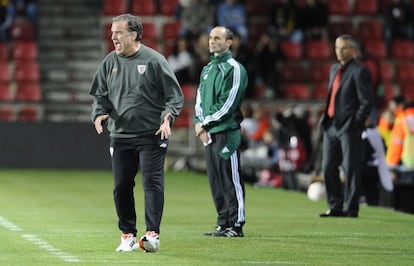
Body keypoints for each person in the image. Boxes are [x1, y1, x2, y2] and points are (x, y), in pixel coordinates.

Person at [89, 14, 184, 252]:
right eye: (112, 32)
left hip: (152, 135)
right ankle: (128, 235)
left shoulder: (154, 61)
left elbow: (174, 96)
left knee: (152, 182)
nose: (113, 37)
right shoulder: (110, 62)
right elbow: (100, 95)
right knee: (121, 185)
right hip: (120, 135)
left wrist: (168, 117)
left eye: (118, 32)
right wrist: (99, 113)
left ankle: (152, 235)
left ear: (134, 34)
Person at [194, 26, 247, 237]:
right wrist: (199, 124)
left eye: (217, 38)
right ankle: (223, 221)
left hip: (227, 134)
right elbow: (199, 100)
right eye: (210, 37)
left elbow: (229, 105)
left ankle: (236, 224)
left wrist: (203, 122)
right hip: (209, 133)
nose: (212, 41)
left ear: (229, 43)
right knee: (215, 180)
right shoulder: (207, 69)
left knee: (230, 178)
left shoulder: (234, 69)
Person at [319, 34, 374, 218]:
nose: (339, 51)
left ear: (352, 50)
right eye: (337, 48)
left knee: (351, 169)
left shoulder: (360, 71)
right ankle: (335, 205)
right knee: (328, 167)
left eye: (343, 48)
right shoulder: (334, 68)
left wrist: (356, 123)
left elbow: (367, 102)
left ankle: (351, 208)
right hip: (331, 124)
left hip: (349, 126)